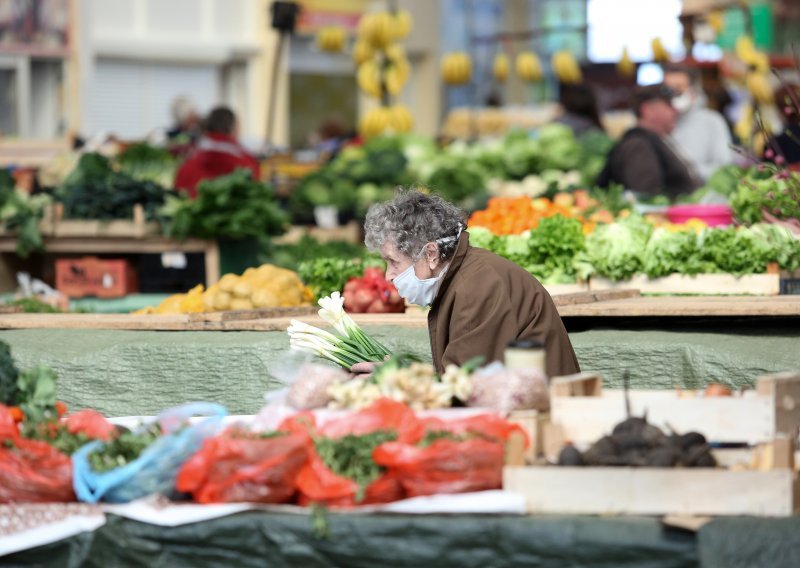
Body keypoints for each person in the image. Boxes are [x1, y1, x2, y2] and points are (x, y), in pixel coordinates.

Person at [352, 190, 581, 380]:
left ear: (431, 254)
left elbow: (464, 386)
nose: (389, 275)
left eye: (393, 262)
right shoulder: (464, 275)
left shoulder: (477, 286)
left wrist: (398, 378)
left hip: (541, 412)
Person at [597, 84, 701, 199]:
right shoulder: (638, 145)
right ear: (648, 110)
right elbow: (645, 198)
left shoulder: (650, 140)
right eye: (668, 105)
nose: (675, 111)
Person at [662, 64, 735, 181]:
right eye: (669, 90)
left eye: (679, 89)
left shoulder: (712, 121)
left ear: (693, 90)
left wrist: (686, 171)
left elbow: (724, 168)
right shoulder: (659, 124)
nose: (673, 96)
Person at [174, 106, 260, 198]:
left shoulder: (187, 165)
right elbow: (257, 193)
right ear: (234, 130)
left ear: (206, 129)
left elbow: (178, 193)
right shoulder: (248, 164)